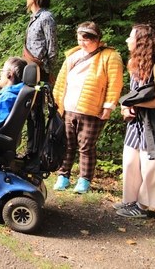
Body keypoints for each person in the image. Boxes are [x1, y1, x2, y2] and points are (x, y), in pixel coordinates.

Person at [52, 22, 123, 193]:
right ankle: (63, 175)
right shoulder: (73, 55)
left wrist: (109, 106)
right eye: (79, 39)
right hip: (69, 106)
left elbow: (115, 83)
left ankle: (84, 179)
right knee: (67, 143)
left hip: (93, 108)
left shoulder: (110, 56)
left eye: (86, 40)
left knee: (86, 145)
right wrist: (56, 103)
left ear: (97, 39)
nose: (82, 43)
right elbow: (62, 81)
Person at [115, 24, 155, 218]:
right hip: (136, 121)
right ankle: (130, 200)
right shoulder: (134, 64)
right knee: (130, 161)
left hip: (154, 124)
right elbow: (133, 94)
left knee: (150, 165)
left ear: (142, 41)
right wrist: (125, 107)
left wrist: (138, 106)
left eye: (131, 37)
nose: (127, 40)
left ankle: (143, 205)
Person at [23, 0, 58, 83]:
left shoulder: (46, 17)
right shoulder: (34, 17)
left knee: (38, 98)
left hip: (41, 69)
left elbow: (53, 46)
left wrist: (49, 70)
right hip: (30, 67)